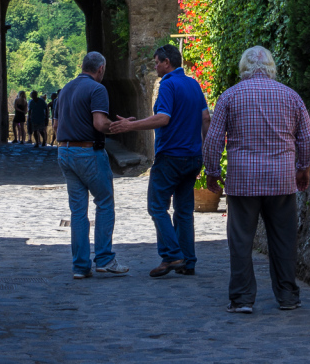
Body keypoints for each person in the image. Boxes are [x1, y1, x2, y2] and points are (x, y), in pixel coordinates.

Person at [202, 45, 310, 314]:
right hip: (281, 180)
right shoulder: (291, 96)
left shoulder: (230, 97)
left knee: (241, 239)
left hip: (243, 180)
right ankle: (288, 296)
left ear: (244, 69)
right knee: (284, 239)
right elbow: (307, 141)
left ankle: (242, 299)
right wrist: (303, 169)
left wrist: (212, 173)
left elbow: (213, 141)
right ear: (271, 68)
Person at [110, 43, 210, 277]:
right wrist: (205, 150)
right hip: (193, 157)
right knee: (184, 211)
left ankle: (172, 254)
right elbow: (205, 119)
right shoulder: (194, 84)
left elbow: (163, 119)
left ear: (168, 62)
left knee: (157, 206)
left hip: (171, 157)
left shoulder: (168, 85)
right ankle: (187, 261)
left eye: (157, 62)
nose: (155, 66)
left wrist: (130, 125)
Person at [56, 52, 129, 278]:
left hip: (64, 151)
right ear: (101, 69)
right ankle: (105, 259)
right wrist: (119, 126)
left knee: (78, 211)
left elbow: (56, 124)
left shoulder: (65, 89)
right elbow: (99, 123)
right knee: (105, 203)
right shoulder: (98, 90)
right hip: (88, 151)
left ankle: (80, 266)